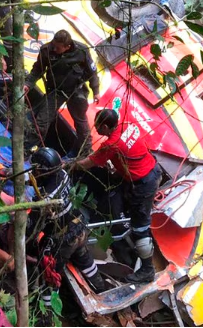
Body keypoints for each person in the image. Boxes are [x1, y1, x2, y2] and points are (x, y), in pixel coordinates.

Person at [71, 109, 163, 284]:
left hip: (143, 183)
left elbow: (88, 163)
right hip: (151, 170)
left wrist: (70, 165)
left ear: (105, 126)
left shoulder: (111, 145)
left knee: (139, 227)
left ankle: (147, 269)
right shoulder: (127, 126)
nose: (96, 130)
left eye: (98, 127)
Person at [27, 147, 107, 304]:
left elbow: (32, 228)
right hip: (79, 227)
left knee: (50, 275)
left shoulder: (44, 200)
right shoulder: (62, 175)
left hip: (62, 240)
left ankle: (47, 311)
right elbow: (41, 180)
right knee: (84, 258)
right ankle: (102, 288)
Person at [25, 30, 99, 159]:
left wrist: (96, 91)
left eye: (58, 48)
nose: (54, 48)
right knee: (42, 121)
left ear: (67, 47)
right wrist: (28, 84)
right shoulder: (46, 51)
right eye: (53, 45)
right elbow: (37, 70)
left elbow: (92, 72)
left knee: (81, 122)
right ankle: (27, 148)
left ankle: (86, 151)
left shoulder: (81, 51)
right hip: (55, 91)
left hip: (76, 89)